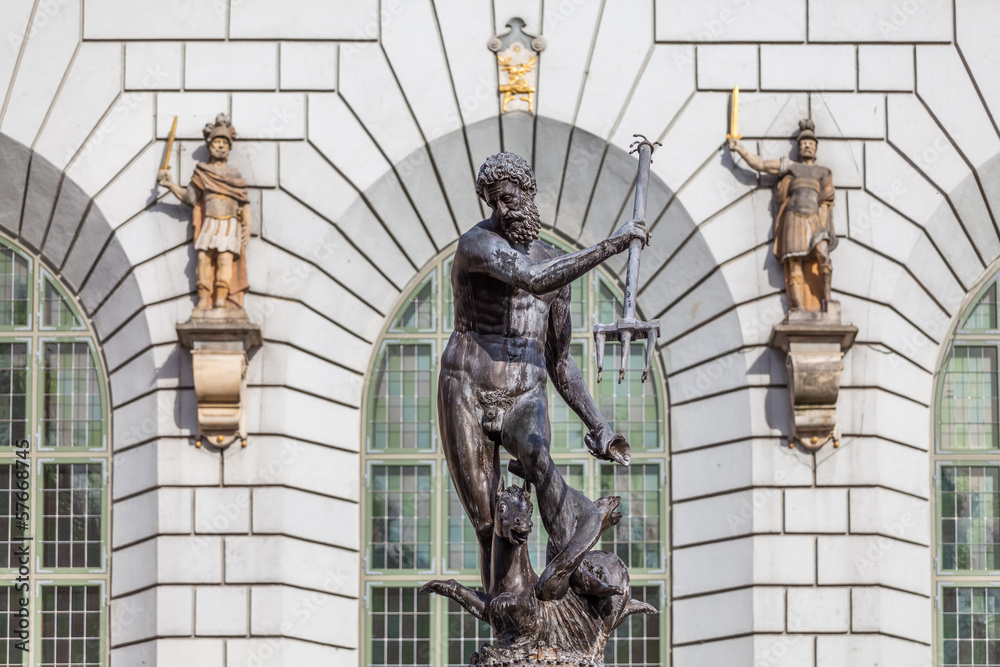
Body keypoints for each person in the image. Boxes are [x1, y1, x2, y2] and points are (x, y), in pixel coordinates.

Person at [440, 151, 648, 600]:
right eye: (492, 202)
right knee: (487, 521)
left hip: (523, 390)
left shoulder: (557, 265)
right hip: (467, 386)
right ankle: (510, 617)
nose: (502, 210)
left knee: (536, 457)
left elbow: (559, 360)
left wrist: (598, 424)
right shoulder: (477, 245)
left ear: (529, 194)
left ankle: (567, 568)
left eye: (509, 198)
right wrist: (610, 247)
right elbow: (532, 278)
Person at [728, 119, 836, 310]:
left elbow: (827, 200)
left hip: (814, 219)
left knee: (823, 257)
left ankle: (827, 300)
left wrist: (826, 225)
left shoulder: (823, 172)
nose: (807, 147)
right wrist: (740, 150)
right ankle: (799, 309)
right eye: (804, 144)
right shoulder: (790, 166)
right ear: (799, 147)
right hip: (793, 217)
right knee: (794, 262)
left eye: (811, 144)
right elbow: (760, 164)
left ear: (816, 148)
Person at [158, 114, 251, 310]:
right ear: (210, 145)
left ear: (229, 147)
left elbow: (244, 202)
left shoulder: (234, 176)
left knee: (225, 260)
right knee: (203, 258)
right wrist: (170, 184)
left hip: (230, 223)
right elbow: (190, 198)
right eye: (217, 142)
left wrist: (248, 225)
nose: (220, 146)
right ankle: (203, 298)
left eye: (224, 143)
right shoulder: (203, 172)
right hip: (210, 221)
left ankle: (220, 299)